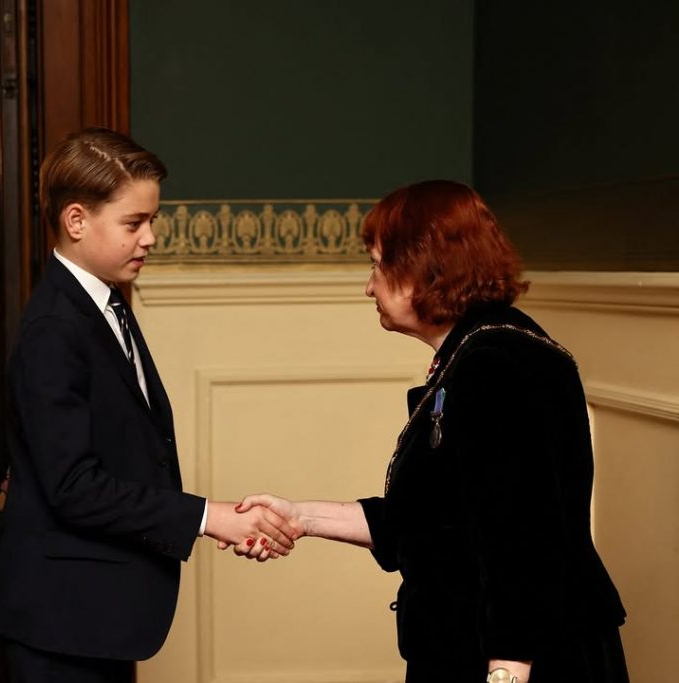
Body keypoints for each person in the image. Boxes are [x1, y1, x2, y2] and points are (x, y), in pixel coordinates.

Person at [236, 180, 628, 683]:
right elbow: (427, 520)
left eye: (377, 264)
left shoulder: (496, 365)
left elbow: (524, 536)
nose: (368, 286)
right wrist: (298, 517)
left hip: (517, 660)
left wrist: (507, 670)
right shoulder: (474, 353)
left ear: (422, 268)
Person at [0, 128, 297, 682]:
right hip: (63, 621)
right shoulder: (54, 329)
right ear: (77, 221)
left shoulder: (106, 302)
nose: (151, 237)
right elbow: (74, 489)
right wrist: (208, 517)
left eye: (152, 220)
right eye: (134, 223)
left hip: (97, 616)